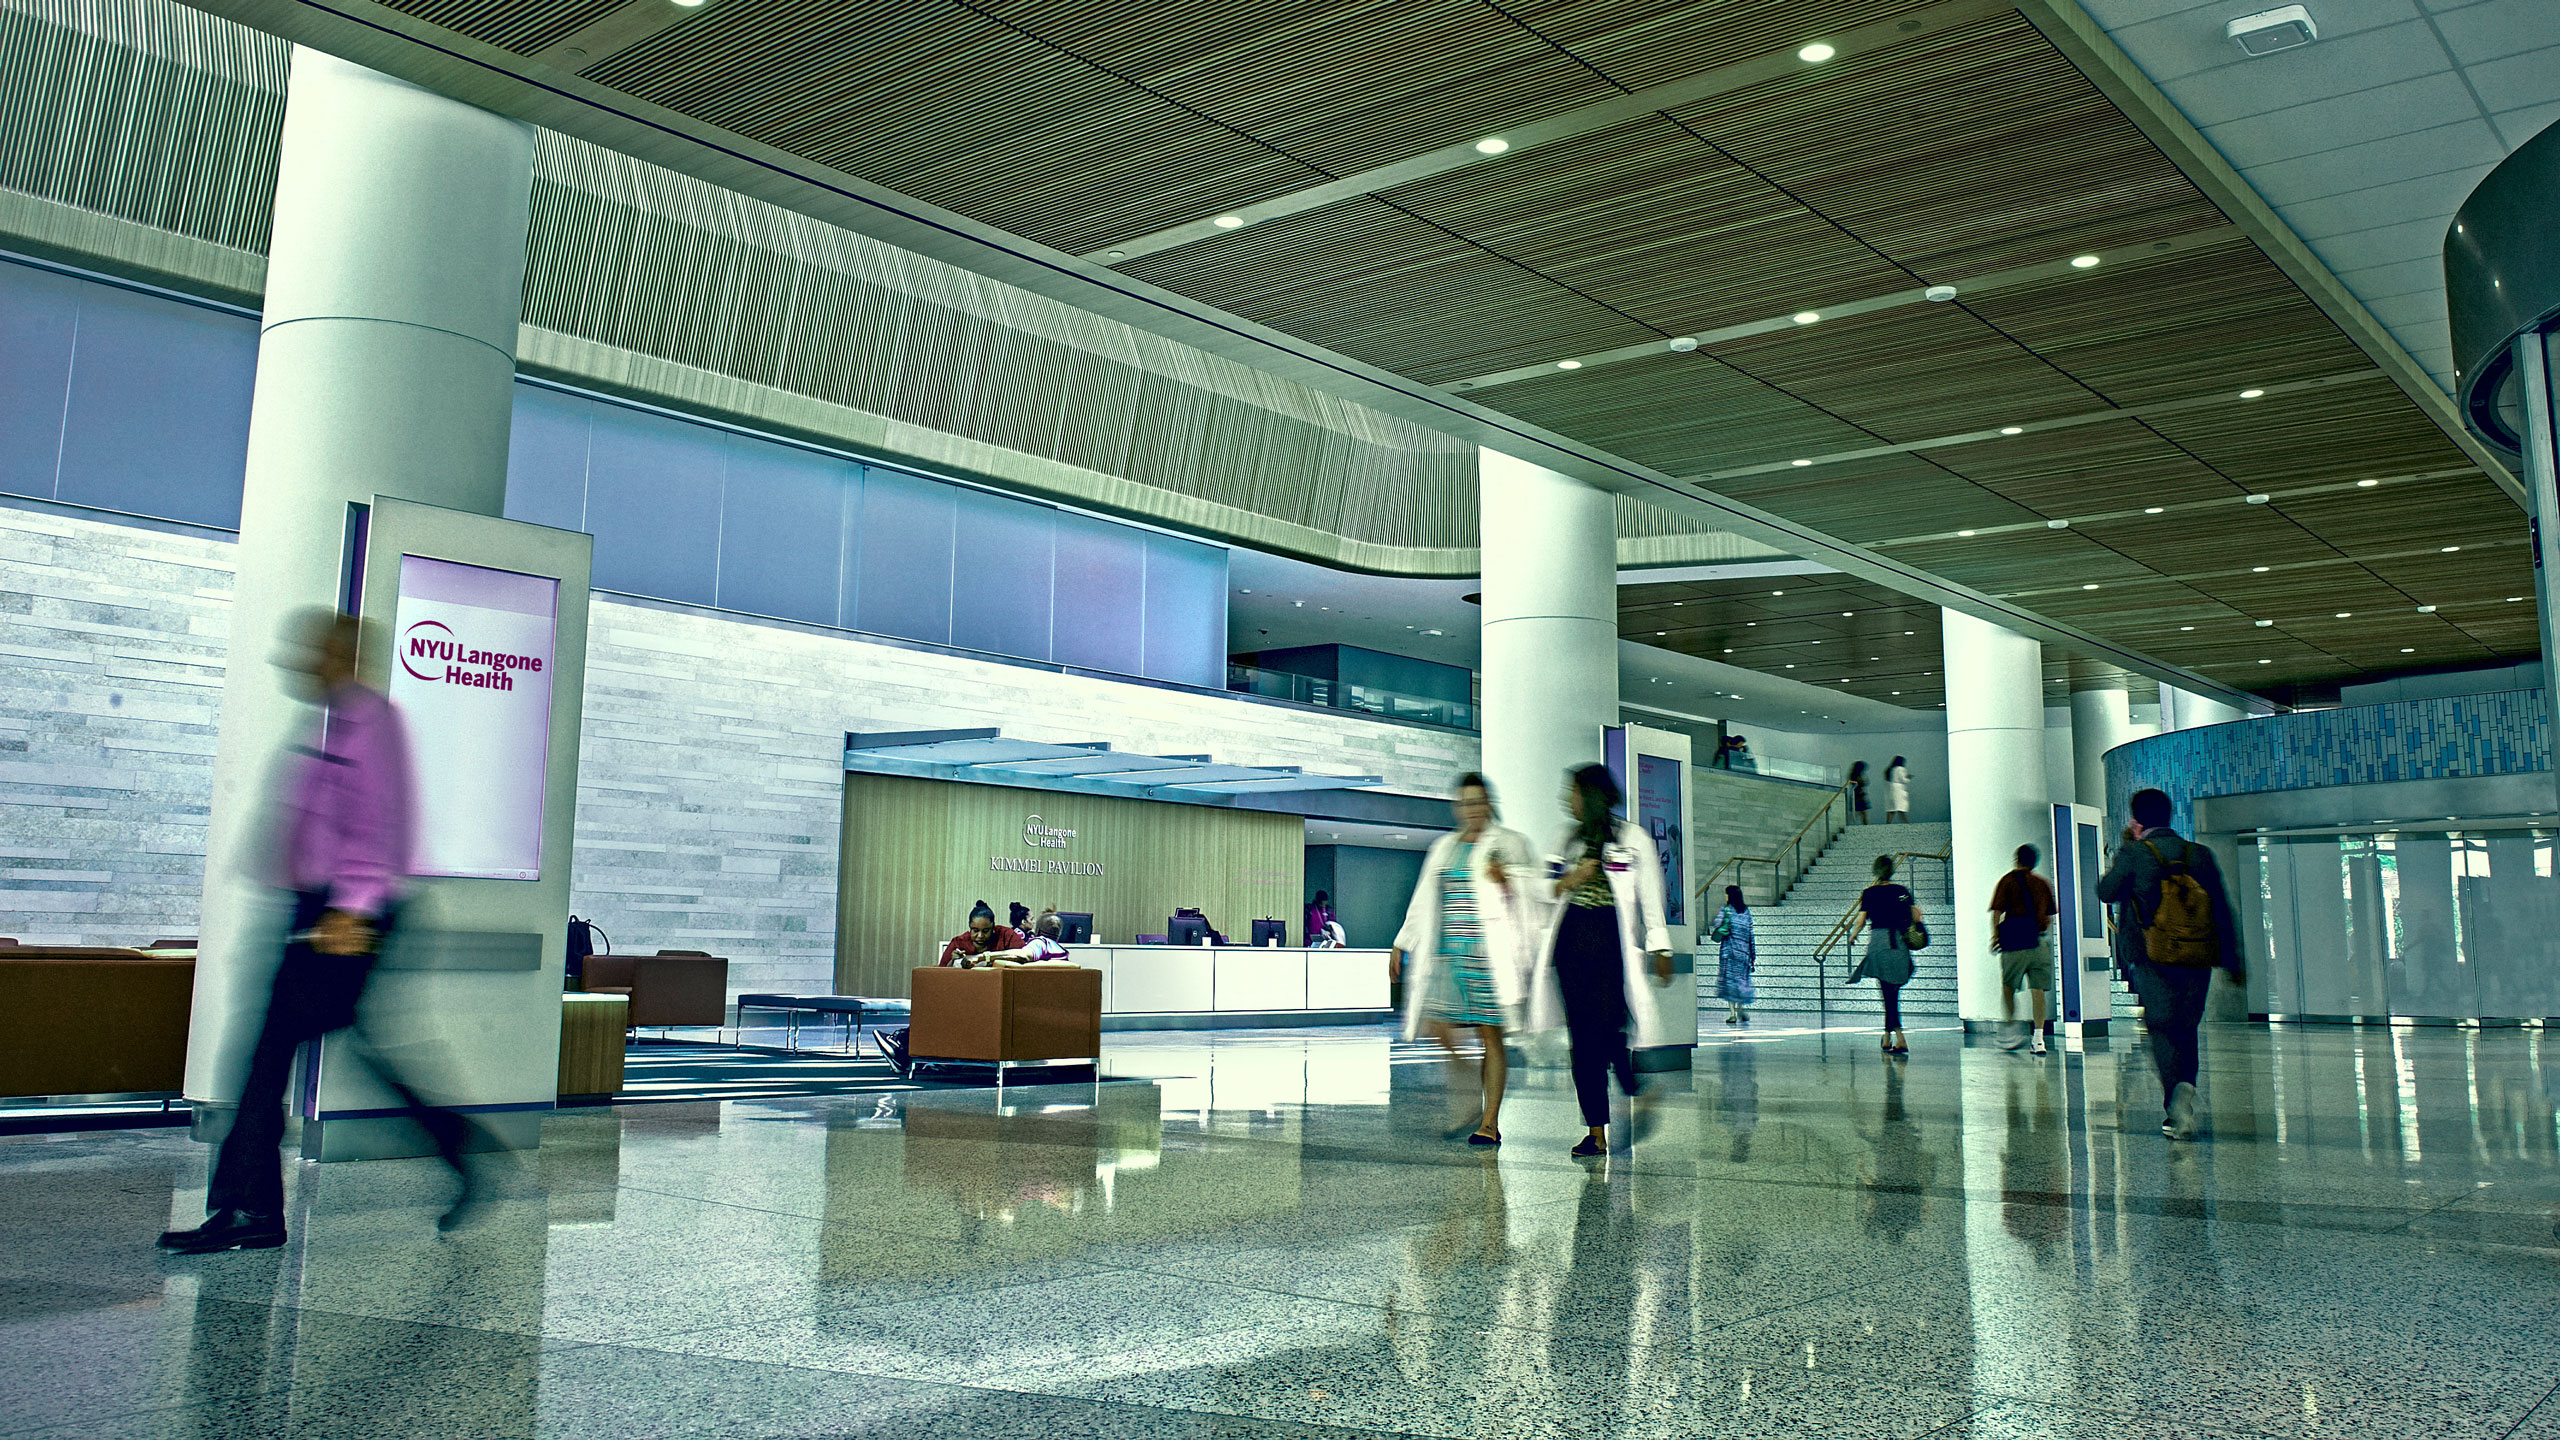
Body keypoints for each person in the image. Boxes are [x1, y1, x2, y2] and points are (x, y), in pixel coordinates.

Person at [158, 610, 476, 1254]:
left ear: (343, 656)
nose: (298, 660)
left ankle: (249, 1210)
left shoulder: (371, 722)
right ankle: (456, 1146)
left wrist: (352, 909)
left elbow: (382, 822)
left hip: (345, 917)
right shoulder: (332, 720)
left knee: (266, 1053)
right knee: (309, 1050)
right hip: (316, 911)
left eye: (314, 650)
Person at [1390, 772, 1536, 1146]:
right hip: (1448, 956)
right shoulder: (1444, 847)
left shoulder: (1510, 844)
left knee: (1491, 1036)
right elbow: (1423, 899)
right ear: (1458, 807)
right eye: (1465, 803)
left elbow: (1532, 895)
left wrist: (1506, 880)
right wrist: (1402, 943)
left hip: (1490, 957)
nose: (1472, 809)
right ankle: (1473, 1086)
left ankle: (1489, 1121)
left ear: (1489, 805)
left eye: (1478, 802)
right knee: (1437, 1026)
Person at [1539, 763, 1674, 1159]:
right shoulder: (1566, 839)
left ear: (1593, 795)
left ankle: (1637, 1091)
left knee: (1612, 1026)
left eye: (1574, 792)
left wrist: (1660, 946)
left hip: (1610, 940)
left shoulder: (1632, 838)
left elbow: (1650, 893)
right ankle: (1595, 1131)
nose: (1568, 800)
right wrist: (1570, 879)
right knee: (1582, 1038)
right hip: (1571, 939)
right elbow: (1544, 885)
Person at [2095, 787, 2244, 1140]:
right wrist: (2233, 959)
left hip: (2151, 956)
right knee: (2186, 1026)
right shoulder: (2200, 854)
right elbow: (2221, 908)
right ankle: (2186, 1086)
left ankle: (2174, 1104)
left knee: (2161, 1026)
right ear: (2170, 815)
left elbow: (2106, 892)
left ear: (2137, 820)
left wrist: (2125, 846)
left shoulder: (2135, 852)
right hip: (2197, 956)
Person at [1848, 855, 1921, 1055]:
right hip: (1898, 943)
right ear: (1891, 871)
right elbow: (1916, 915)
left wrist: (1853, 935)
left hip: (1878, 944)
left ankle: (1898, 1036)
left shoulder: (1869, 893)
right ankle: (1888, 1037)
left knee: (1888, 992)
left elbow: (1861, 921)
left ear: (1875, 871)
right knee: (1891, 991)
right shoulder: (1901, 891)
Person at [1990, 844, 2059, 1056]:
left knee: (2008, 986)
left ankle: (2011, 1026)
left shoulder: (2008, 881)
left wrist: (1996, 935)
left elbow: (1997, 912)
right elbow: (2049, 913)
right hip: (2039, 942)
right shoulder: (2041, 883)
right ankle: (2038, 1039)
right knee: (2038, 991)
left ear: (2016, 859)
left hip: (2015, 944)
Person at [1711, 884, 1755, 1026]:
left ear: (1729, 896)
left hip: (1729, 953)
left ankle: (1732, 1014)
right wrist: (1752, 954)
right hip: (1744, 954)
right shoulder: (1746, 912)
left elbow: (1717, 924)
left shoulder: (1726, 910)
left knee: (1730, 982)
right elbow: (1751, 934)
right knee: (1741, 981)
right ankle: (1741, 1010)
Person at [938, 900, 1023, 967]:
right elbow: (941, 973)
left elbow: (1025, 956)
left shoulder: (1006, 935)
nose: (980, 936)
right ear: (969, 926)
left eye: (986, 931)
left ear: (993, 927)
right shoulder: (959, 942)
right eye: (975, 930)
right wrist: (953, 961)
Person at [1882, 756, 1911, 823]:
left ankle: (1888, 823)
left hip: (1890, 789)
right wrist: (1908, 778)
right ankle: (1906, 823)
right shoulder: (1900, 769)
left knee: (1891, 808)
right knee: (1901, 809)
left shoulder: (1890, 769)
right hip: (1898, 790)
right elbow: (1903, 780)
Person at [1848, 760, 1870, 824]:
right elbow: (1864, 782)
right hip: (1859, 795)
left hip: (1856, 794)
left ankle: (1850, 823)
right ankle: (1866, 825)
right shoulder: (1857, 775)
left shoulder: (1852, 774)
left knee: (1858, 812)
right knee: (1863, 812)